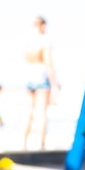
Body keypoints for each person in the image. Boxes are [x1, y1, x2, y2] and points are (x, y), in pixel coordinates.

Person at [23, 15, 59, 150]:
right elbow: (48, 63)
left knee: (29, 111)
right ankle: (42, 145)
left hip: (29, 75)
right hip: (41, 76)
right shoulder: (45, 41)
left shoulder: (28, 41)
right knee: (42, 113)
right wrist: (54, 83)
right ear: (43, 25)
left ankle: (24, 143)